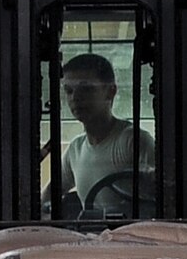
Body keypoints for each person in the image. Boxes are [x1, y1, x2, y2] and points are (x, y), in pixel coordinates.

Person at [57, 52, 155, 218]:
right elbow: (47, 196)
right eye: (69, 91)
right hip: (94, 240)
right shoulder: (75, 150)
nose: (75, 98)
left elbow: (165, 193)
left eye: (86, 89)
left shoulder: (133, 141)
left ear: (111, 91)